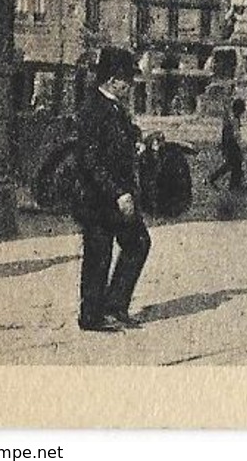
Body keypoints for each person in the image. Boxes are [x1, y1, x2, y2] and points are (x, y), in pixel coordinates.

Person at [73, 46, 152, 333]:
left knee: (137, 243)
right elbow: (90, 161)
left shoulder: (114, 107)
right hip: (98, 198)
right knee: (99, 254)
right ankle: (91, 317)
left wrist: (139, 140)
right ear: (112, 79)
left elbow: (121, 138)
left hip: (117, 195)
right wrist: (117, 193)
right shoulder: (92, 108)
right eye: (127, 80)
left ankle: (115, 306)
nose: (130, 85)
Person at [206, 98, 247, 191]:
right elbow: (236, 135)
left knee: (231, 165)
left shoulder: (231, 119)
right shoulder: (234, 120)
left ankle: (218, 179)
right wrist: (240, 146)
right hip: (232, 145)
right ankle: (233, 185)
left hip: (229, 145)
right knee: (235, 164)